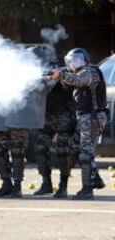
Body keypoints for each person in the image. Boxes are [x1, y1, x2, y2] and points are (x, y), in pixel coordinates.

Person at [49, 48, 107, 200]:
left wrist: (61, 74)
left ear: (85, 60)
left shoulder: (91, 71)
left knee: (85, 153)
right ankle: (95, 179)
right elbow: (69, 84)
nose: (75, 63)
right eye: (72, 60)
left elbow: (79, 80)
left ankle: (87, 189)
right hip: (84, 118)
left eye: (78, 60)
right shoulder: (74, 73)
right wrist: (58, 74)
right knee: (74, 149)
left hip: (93, 117)